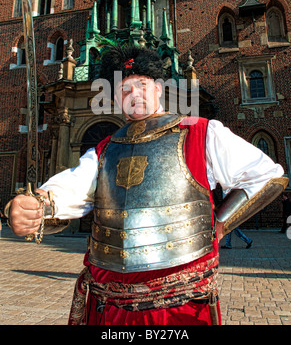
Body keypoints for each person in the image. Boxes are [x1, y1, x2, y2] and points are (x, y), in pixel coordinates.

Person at [5, 45, 288, 326]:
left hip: (180, 304)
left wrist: (221, 221)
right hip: (111, 303)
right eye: (124, 90)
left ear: (158, 88)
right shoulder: (104, 151)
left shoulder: (200, 132)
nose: (134, 95)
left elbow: (266, 176)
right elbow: (74, 186)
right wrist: (39, 202)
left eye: (141, 85)